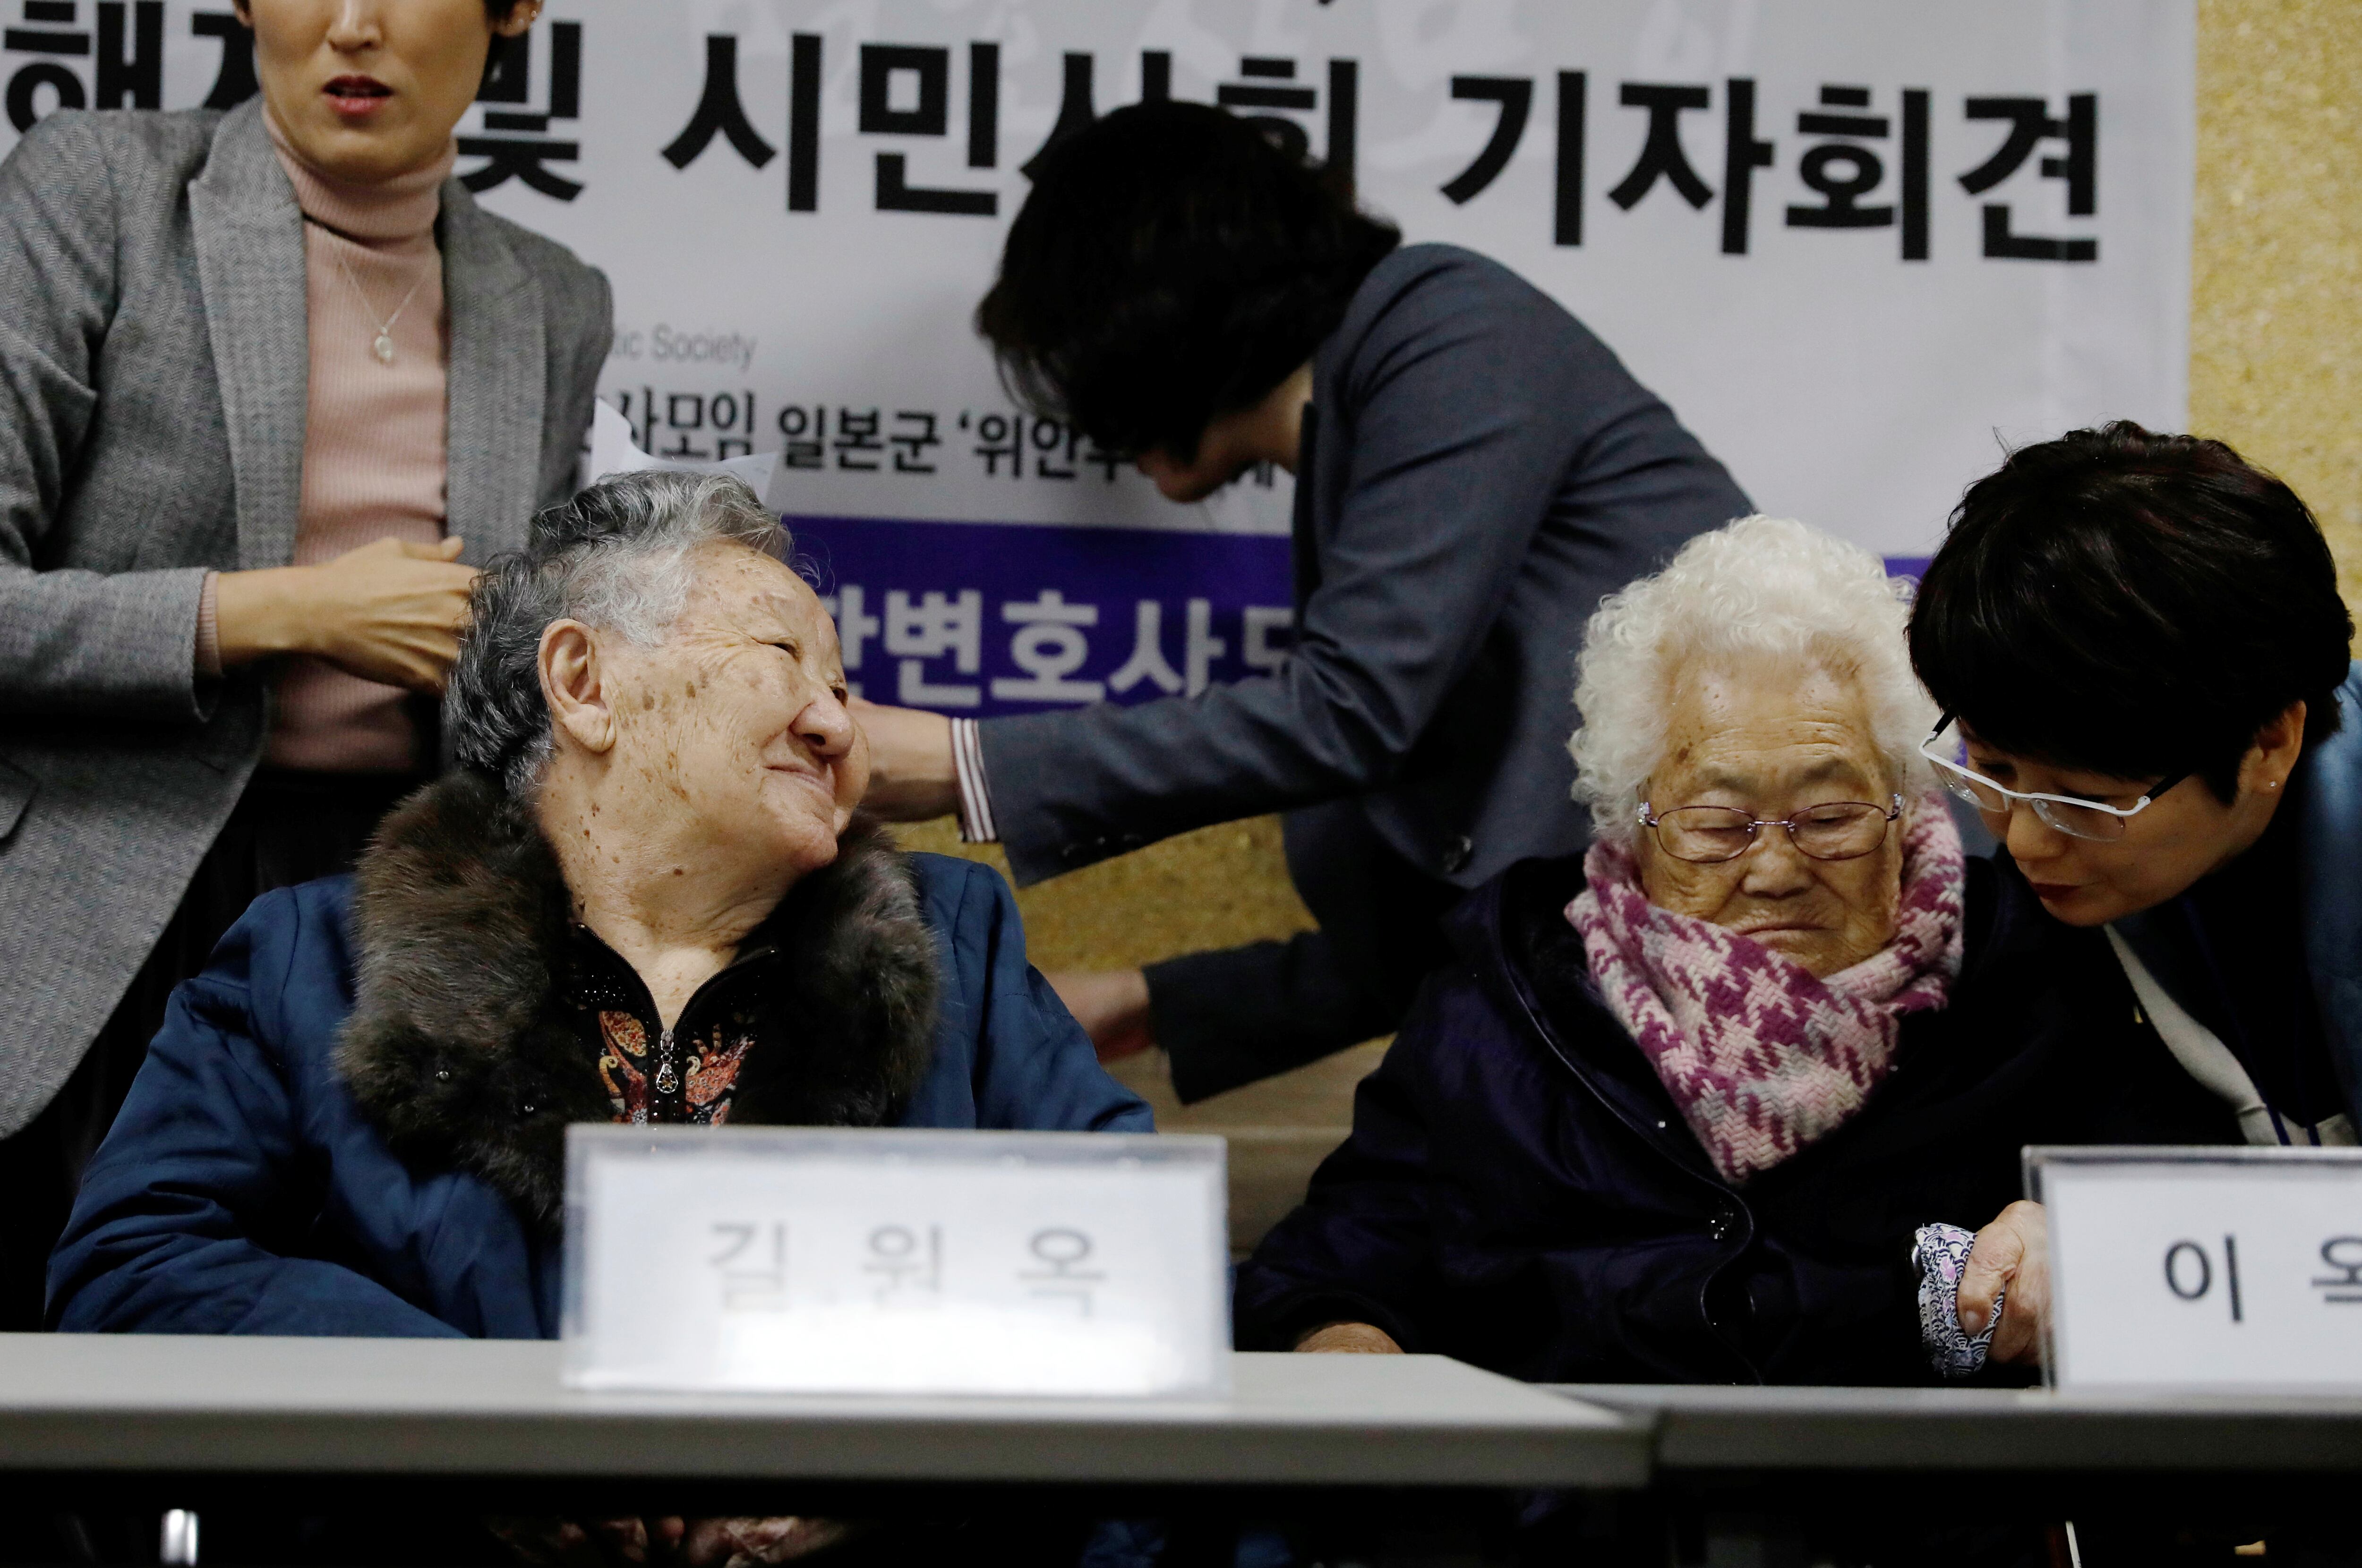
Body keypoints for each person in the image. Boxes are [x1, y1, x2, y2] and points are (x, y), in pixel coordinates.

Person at [50, 471, 1151, 1343]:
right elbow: (135, 1264)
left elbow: (1129, 1252)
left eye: (845, 687)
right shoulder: (310, 960)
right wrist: (481, 1442)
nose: (838, 725)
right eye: (783, 658)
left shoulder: (954, 938)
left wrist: (879, 1468)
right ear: (582, 682)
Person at [854, 101, 1748, 1104]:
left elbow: (1350, 715)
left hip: (1757, 987)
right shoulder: (1364, 436)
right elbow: (1467, 925)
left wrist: (963, 765)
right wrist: (1146, 997)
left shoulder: (1447, 321)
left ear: (1153, 315)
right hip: (1617, 1006)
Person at [1232, 518, 2226, 1385]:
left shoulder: (2035, 970)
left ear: (1904, 802)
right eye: (1717, 824)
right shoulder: (1512, 986)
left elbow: (2199, 1218)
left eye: (1830, 815)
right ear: (1635, 814)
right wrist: (1349, 1349)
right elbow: (1343, 1253)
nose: (1777, 869)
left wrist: (2091, 1242)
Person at [0, 0, 612, 1329]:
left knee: (349, 1371)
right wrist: (280, 615)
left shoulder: (553, 298)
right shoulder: (99, 189)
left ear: (513, 14)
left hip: (391, 913)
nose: (350, 27)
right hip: (105, 887)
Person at [1907, 421, 2360, 1363]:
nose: (2024, 836)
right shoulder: (2057, 898)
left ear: (2269, 741)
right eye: (1990, 769)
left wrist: (2134, 1251)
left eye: (2081, 800)